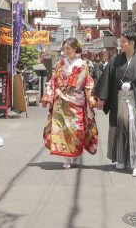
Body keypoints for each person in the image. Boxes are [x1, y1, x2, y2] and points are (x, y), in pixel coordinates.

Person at [93, 29, 136, 177]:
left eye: (123, 42)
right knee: (119, 129)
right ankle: (120, 158)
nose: (120, 44)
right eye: (120, 41)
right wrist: (102, 99)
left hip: (134, 101)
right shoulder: (115, 60)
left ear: (132, 43)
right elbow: (106, 80)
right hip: (118, 100)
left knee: (135, 131)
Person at [41, 37, 99, 169]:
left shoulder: (83, 64)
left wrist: (92, 99)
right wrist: (47, 97)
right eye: (64, 48)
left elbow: (88, 84)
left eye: (69, 48)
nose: (66, 51)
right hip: (60, 101)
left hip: (76, 101)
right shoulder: (60, 64)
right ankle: (67, 158)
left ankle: (74, 154)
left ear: (75, 49)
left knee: (75, 129)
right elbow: (53, 81)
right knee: (61, 129)